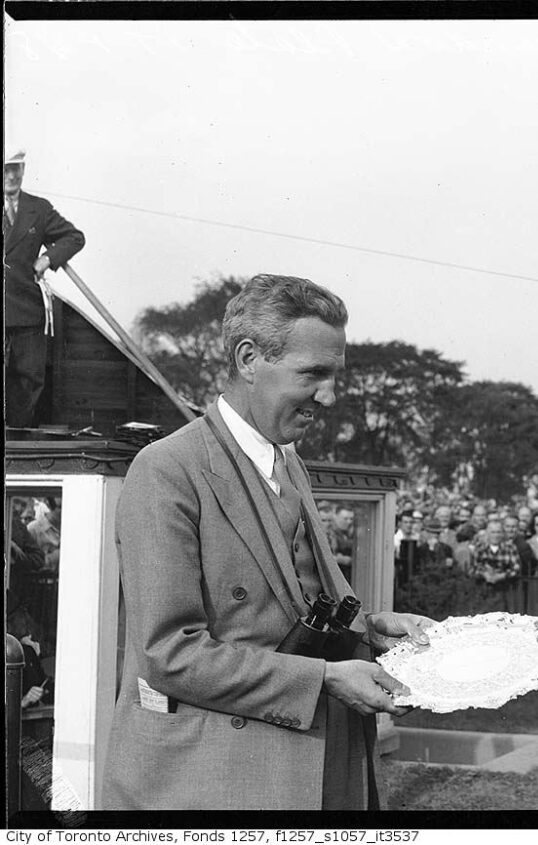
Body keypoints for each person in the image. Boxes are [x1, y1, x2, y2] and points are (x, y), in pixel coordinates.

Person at [100, 275, 433, 811]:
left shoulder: (287, 461)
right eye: (313, 374)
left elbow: (286, 613)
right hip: (214, 783)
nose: (329, 396)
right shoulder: (166, 469)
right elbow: (169, 653)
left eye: (335, 375)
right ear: (249, 359)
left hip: (308, 769)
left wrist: (369, 630)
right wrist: (324, 679)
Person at [3, 150, 86, 428]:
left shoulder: (38, 208)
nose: (11, 176)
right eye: (5, 169)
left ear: (23, 170)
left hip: (27, 312)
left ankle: (17, 442)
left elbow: (73, 237)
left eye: (16, 168)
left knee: (28, 380)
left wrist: (48, 258)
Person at [471, 519, 522, 612]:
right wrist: (484, 574)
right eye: (493, 532)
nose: (496, 535)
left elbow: (516, 568)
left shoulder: (510, 548)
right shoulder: (480, 548)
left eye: (498, 532)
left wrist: (502, 575)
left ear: (503, 533)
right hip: (484, 590)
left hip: (505, 590)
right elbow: (473, 568)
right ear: (487, 533)